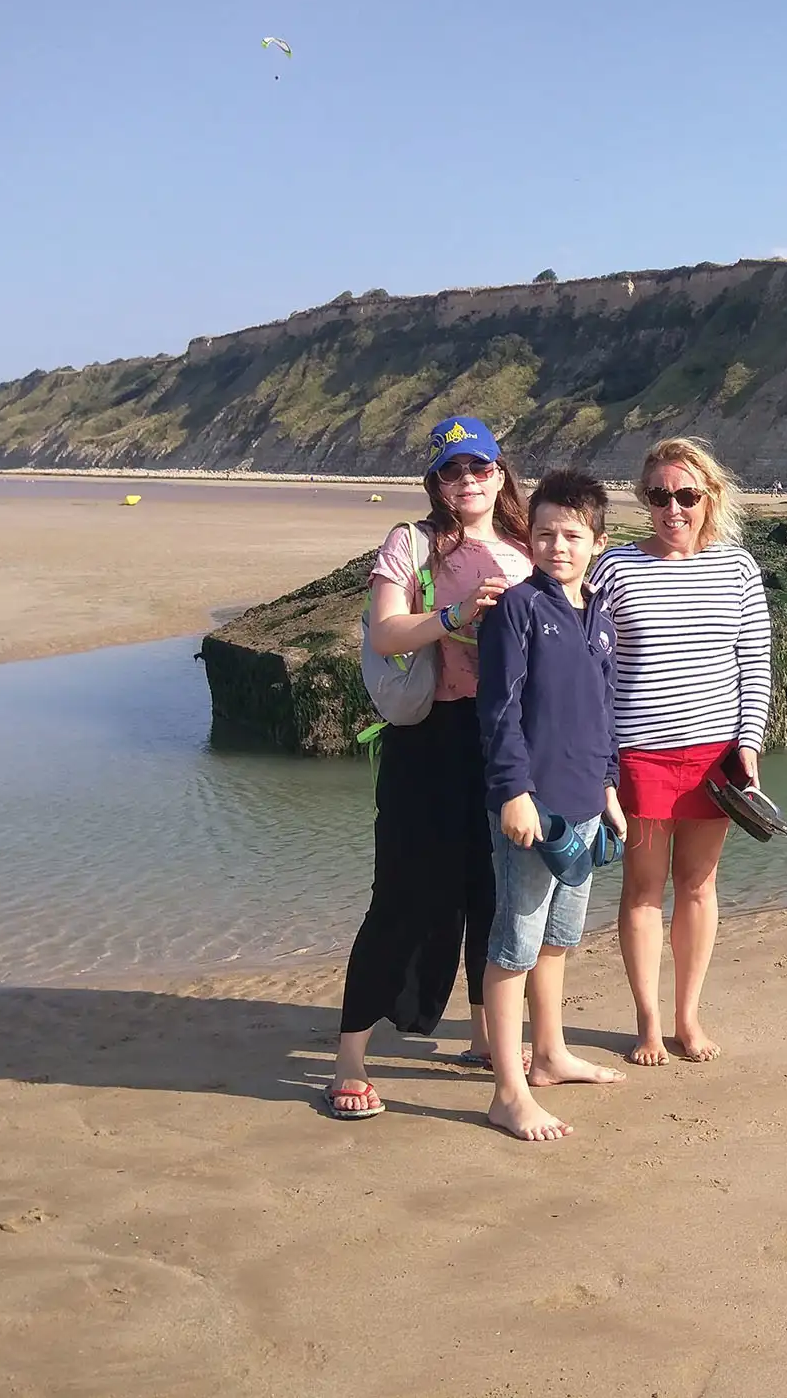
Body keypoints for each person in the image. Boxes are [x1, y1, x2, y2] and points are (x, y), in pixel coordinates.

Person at [326, 416, 531, 1121]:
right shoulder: (409, 543)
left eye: (479, 468)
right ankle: (349, 1057)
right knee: (404, 895)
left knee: (491, 891)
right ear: (435, 483)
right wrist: (451, 616)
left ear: (501, 473)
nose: (467, 481)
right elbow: (386, 631)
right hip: (426, 738)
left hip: (505, 737)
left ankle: (481, 1036)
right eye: (452, 471)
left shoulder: (529, 543)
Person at [587, 437, 771, 1066]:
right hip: (637, 753)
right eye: (660, 496)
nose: (674, 509)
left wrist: (749, 746)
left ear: (708, 498)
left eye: (687, 496)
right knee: (642, 890)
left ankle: (688, 1017)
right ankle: (646, 1022)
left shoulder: (739, 570)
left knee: (697, 886)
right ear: (645, 500)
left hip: (714, 758)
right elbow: (593, 668)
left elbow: (755, 665)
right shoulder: (613, 570)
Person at [475, 469, 630, 1141]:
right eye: (544, 534)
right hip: (531, 808)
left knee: (559, 940)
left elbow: (603, 710)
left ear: (598, 540)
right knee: (515, 941)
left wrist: (610, 787)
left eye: (572, 535)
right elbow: (499, 712)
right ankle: (508, 1091)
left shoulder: (598, 613)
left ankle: (549, 1054)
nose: (557, 546)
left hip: (585, 804)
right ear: (529, 538)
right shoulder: (517, 609)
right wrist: (513, 792)